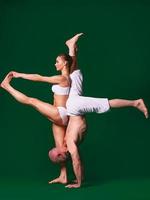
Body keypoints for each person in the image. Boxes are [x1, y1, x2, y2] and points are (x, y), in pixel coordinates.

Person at [49, 35, 148, 188]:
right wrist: (79, 182)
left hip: (74, 106)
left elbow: (75, 160)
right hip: (75, 104)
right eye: (57, 148)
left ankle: (136, 103)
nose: (58, 143)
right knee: (77, 76)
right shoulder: (70, 144)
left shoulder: (68, 142)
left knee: (94, 94)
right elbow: (76, 160)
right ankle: (70, 47)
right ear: (63, 153)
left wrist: (76, 180)